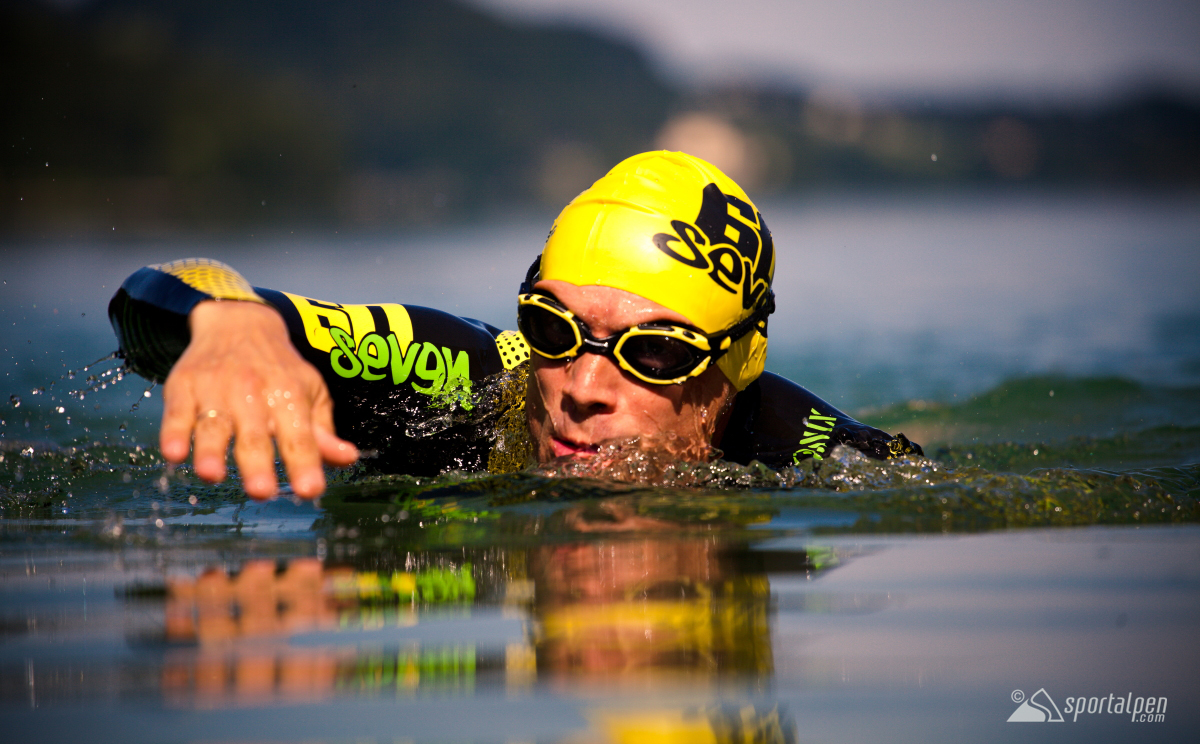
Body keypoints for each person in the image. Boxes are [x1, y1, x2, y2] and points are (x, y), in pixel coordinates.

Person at [109, 151, 920, 500]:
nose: (582, 386)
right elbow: (149, 298)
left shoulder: (803, 451)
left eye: (655, 352)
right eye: (553, 329)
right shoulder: (451, 378)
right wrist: (235, 326)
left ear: (734, 369)